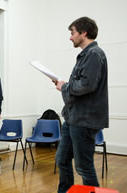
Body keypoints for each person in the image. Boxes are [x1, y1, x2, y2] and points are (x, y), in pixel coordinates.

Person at [53, 17, 109, 193]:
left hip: (84, 120)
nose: (71, 37)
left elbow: (86, 85)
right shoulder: (87, 54)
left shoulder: (94, 54)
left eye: (73, 33)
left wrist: (64, 86)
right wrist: (65, 86)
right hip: (73, 118)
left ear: (83, 33)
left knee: (84, 167)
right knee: (62, 159)